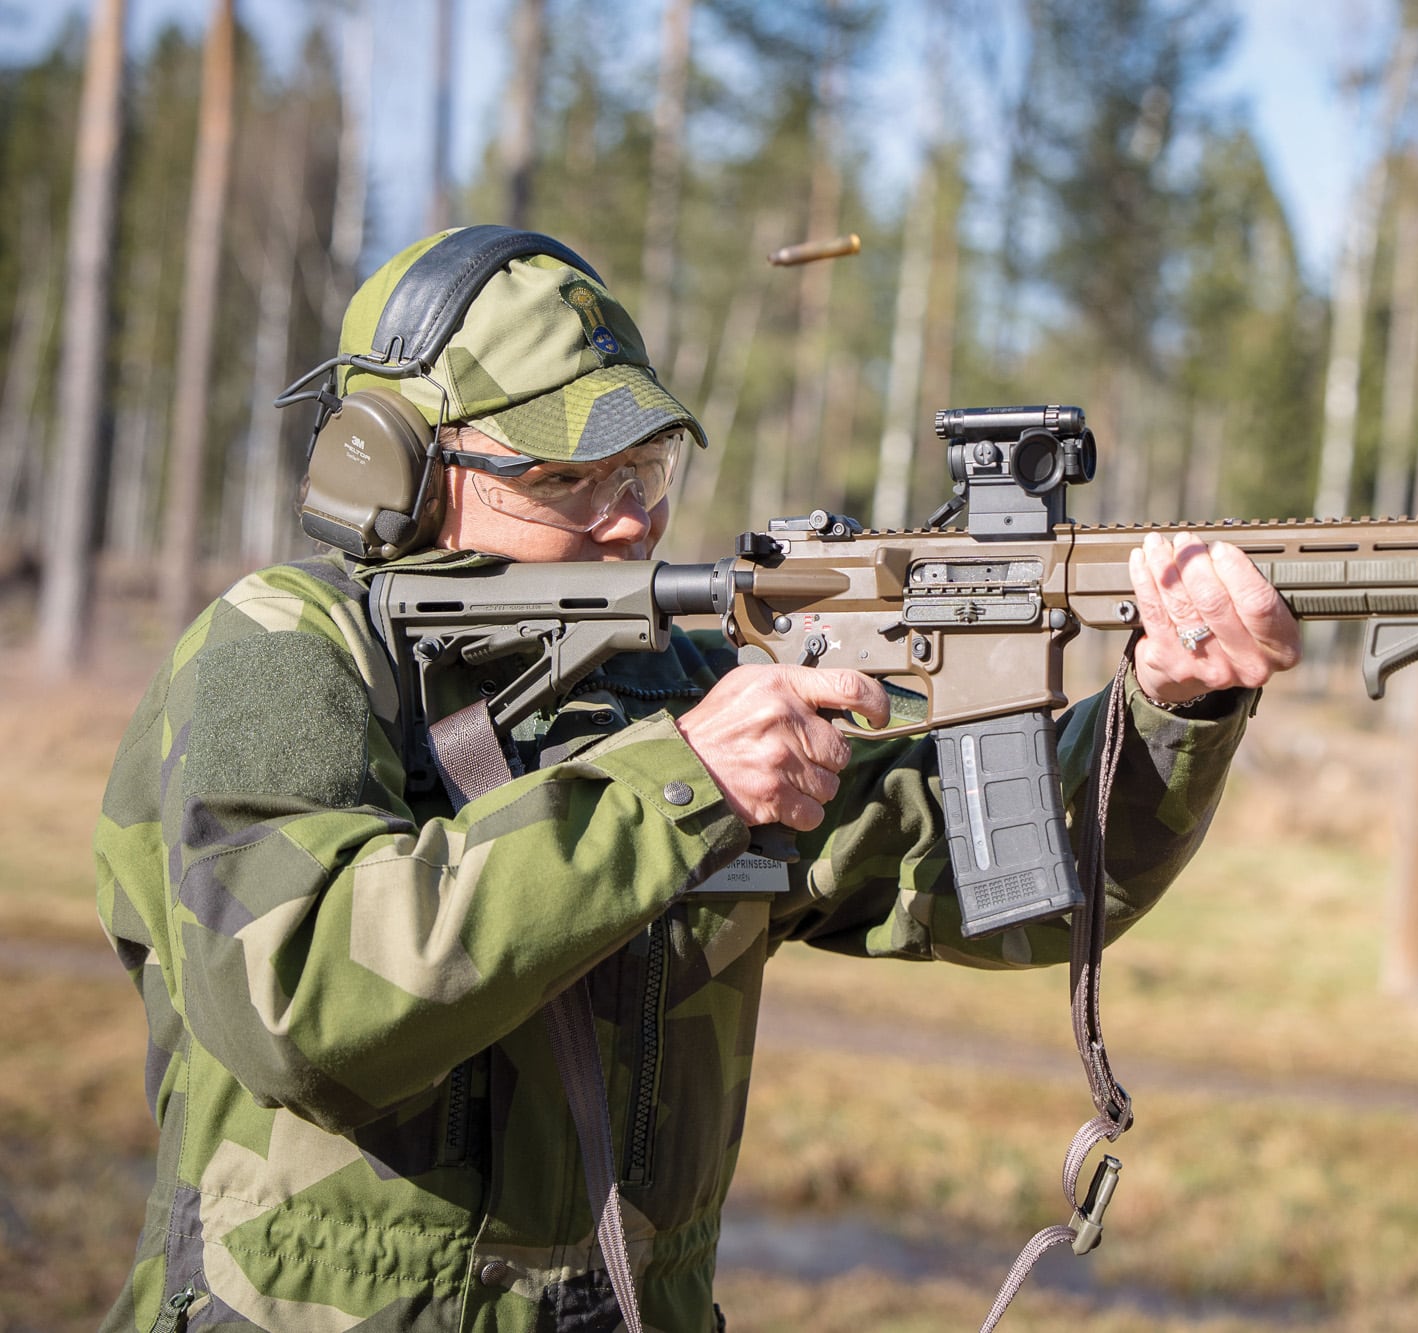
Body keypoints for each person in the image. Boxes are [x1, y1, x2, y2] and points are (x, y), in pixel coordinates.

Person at [94, 227, 1301, 1333]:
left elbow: (1008, 882)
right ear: (395, 470)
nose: (629, 520)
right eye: (568, 478)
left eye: (647, 466)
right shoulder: (288, 650)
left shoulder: (687, 674)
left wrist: (1169, 706)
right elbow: (294, 1002)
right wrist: (677, 785)